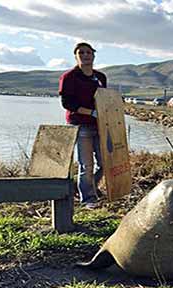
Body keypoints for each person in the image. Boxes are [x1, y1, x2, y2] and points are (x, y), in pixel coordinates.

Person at [59, 42, 107, 209]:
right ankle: (88, 199)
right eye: (81, 53)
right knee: (86, 164)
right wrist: (90, 112)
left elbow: (104, 99)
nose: (85, 55)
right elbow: (67, 103)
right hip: (80, 125)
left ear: (93, 55)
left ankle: (86, 188)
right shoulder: (69, 77)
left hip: (100, 125)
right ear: (76, 56)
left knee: (105, 162)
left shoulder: (101, 77)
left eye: (88, 52)